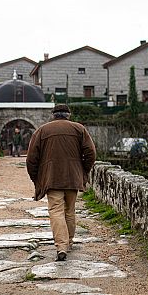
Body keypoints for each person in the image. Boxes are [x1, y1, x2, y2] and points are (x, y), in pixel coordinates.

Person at [26, 104, 96, 261]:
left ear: (53, 115)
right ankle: (69, 242)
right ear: (68, 115)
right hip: (73, 177)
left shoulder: (42, 131)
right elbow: (91, 153)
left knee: (56, 210)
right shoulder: (79, 129)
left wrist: (37, 178)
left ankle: (61, 246)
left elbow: (31, 159)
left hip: (52, 178)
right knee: (69, 210)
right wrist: (82, 170)